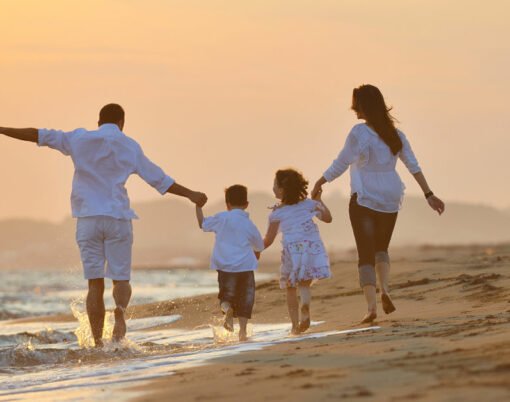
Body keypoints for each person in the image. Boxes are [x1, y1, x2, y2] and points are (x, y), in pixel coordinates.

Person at [0, 104, 207, 347]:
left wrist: (3, 129)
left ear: (98, 122)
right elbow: (159, 179)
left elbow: (38, 134)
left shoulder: (79, 138)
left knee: (94, 283)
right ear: (122, 123)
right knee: (121, 280)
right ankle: (119, 311)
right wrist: (190, 194)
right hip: (118, 219)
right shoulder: (130, 146)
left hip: (88, 220)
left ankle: (98, 343)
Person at [311, 84, 445, 323]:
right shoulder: (396, 135)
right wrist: (429, 194)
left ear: (364, 106)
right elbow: (413, 166)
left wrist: (321, 181)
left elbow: (341, 162)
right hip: (390, 198)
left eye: (356, 105)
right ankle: (385, 289)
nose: (354, 110)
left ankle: (371, 308)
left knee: (365, 253)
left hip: (364, 198)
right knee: (381, 249)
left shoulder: (359, 133)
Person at [263, 169, 332, 334]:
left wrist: (255, 250)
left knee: (290, 286)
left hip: (293, 250)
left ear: (281, 190)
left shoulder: (277, 213)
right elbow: (328, 218)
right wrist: (319, 200)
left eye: (274, 185)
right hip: (312, 246)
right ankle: (306, 306)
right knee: (304, 283)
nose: (273, 188)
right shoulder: (308, 204)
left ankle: (295, 326)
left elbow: (268, 239)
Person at [196, 184, 264, 341]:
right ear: (246, 204)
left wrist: (198, 207)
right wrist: (257, 254)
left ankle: (228, 311)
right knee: (246, 299)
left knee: (226, 297)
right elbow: (259, 245)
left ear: (227, 204)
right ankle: (243, 333)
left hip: (225, 268)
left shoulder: (221, 218)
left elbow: (202, 224)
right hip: (246, 268)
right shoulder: (249, 224)